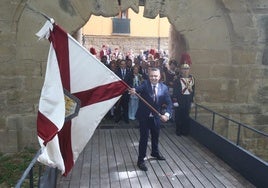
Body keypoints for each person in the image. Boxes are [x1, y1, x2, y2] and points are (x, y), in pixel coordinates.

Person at [129, 67, 173, 171]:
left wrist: (166, 114)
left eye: (156, 76)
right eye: (151, 76)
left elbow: (169, 104)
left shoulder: (164, 88)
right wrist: (134, 90)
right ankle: (141, 160)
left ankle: (155, 153)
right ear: (149, 76)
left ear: (160, 76)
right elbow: (138, 88)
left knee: (155, 136)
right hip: (144, 117)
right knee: (144, 138)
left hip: (156, 117)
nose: (153, 78)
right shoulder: (145, 84)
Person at [172, 53, 195, 136]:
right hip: (179, 100)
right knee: (179, 116)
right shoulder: (177, 79)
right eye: (184, 69)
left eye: (187, 68)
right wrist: (175, 100)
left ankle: (185, 131)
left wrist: (192, 100)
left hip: (187, 100)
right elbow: (175, 91)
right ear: (181, 70)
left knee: (186, 116)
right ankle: (178, 130)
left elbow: (193, 90)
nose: (185, 70)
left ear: (189, 69)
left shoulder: (192, 78)